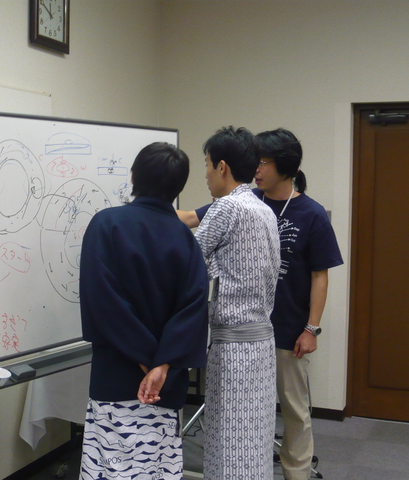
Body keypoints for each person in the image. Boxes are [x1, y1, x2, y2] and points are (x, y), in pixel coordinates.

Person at [179, 128, 344, 480]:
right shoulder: (254, 202)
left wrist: (311, 328)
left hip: (281, 328)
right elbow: (193, 218)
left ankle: (297, 473)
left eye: (264, 162)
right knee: (250, 420)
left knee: (284, 413)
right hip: (256, 329)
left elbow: (320, 275)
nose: (257, 168)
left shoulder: (308, 212)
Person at [78, 142, 209, 480]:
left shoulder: (106, 224)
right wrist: (160, 365)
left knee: (111, 468)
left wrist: (145, 361)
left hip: (117, 376)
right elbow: (193, 310)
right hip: (164, 384)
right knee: (155, 466)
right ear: (178, 187)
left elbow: (103, 302)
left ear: (134, 176)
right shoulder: (186, 239)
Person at [192, 126, 281, 480]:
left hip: (233, 346)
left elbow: (191, 263)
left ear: (222, 167)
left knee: (229, 442)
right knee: (254, 439)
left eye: (207, 165)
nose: (205, 174)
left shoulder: (226, 207)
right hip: (262, 342)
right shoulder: (263, 209)